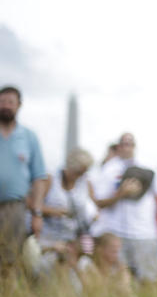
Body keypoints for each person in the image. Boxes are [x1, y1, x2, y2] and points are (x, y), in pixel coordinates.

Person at [90, 132, 157, 283]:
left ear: (135, 146)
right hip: (116, 232)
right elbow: (99, 202)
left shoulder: (149, 166)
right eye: (123, 144)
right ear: (118, 146)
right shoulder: (109, 168)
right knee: (119, 279)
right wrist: (121, 194)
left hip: (145, 232)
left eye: (130, 144)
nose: (127, 147)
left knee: (148, 279)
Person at [0, 85, 48, 278]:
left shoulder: (29, 137)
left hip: (15, 207)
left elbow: (39, 178)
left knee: (10, 258)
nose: (5, 106)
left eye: (10, 102)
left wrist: (37, 213)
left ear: (18, 106)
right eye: (2, 101)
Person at [34, 148, 98, 284]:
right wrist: (54, 211)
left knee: (76, 274)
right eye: (79, 171)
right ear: (70, 166)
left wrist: (93, 215)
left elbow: (94, 204)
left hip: (73, 239)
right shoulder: (50, 179)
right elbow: (33, 204)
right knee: (47, 273)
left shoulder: (85, 183)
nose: (81, 175)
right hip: (49, 238)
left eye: (84, 171)